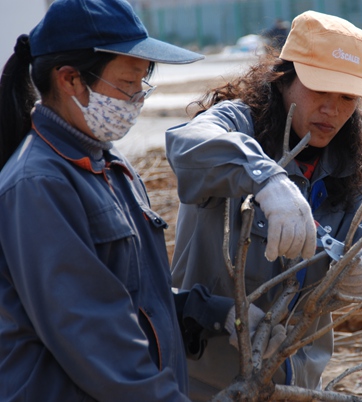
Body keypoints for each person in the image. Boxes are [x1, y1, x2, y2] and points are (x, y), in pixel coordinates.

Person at [0, 0, 275, 400]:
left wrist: (209, 312)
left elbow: (134, 293)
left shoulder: (109, 166)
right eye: (127, 84)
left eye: (142, 84)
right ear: (70, 80)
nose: (137, 99)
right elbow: (93, 332)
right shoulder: (39, 186)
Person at [166, 10, 362, 401]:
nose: (332, 109)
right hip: (204, 380)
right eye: (320, 90)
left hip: (295, 386)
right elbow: (187, 144)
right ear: (285, 78)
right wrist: (266, 179)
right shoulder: (237, 124)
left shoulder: (352, 167)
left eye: (346, 97)